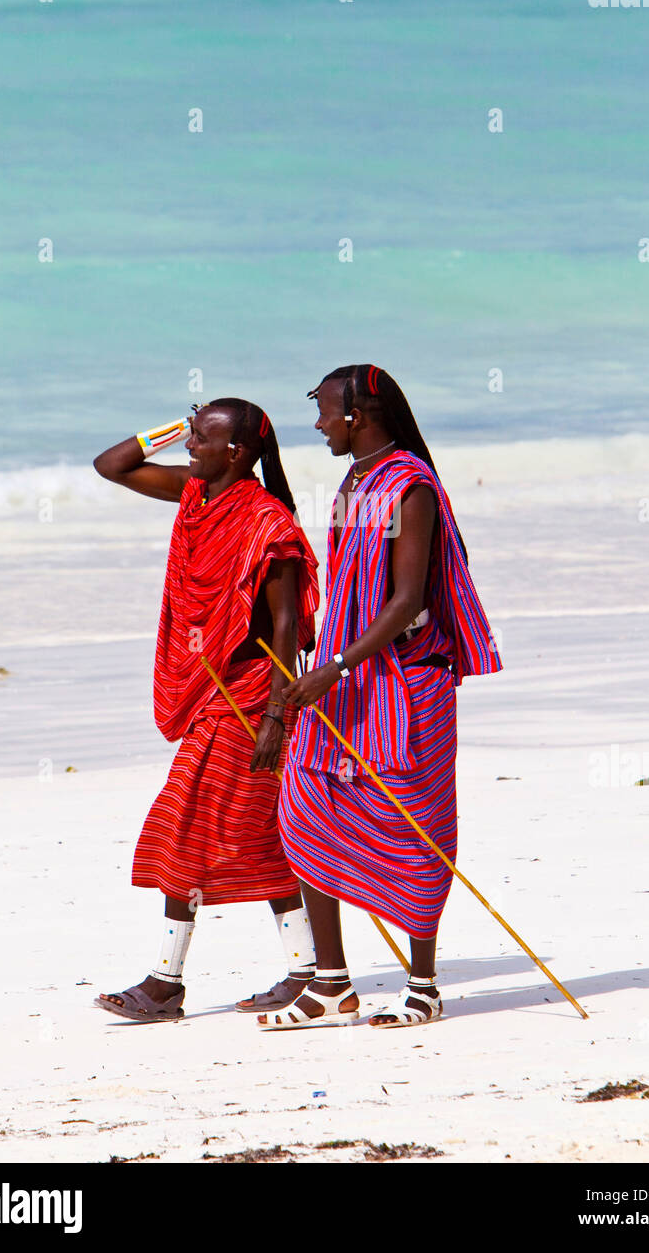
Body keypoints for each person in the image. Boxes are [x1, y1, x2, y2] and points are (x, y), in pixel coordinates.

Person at [257, 365, 501, 1030]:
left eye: (325, 412)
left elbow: (406, 602)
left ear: (358, 416)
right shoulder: (351, 482)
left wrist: (334, 666)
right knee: (304, 809)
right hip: (341, 680)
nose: (317, 424)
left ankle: (423, 986)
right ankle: (331, 983)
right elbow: (345, 582)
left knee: (413, 828)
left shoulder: (410, 487)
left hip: (404, 682)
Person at [93, 399, 319, 1021]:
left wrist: (277, 717)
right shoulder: (195, 494)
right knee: (258, 836)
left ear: (237, 453)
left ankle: (165, 983)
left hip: (249, 701)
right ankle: (307, 971)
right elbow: (111, 464)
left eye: (202, 438)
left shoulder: (266, 524)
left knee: (182, 825)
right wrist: (173, 426)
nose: (190, 446)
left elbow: (287, 630)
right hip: (208, 692)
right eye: (190, 436)